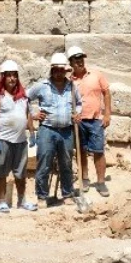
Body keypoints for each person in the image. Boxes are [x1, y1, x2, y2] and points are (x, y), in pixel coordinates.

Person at [27, 52, 86, 212]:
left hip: (67, 131)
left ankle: (67, 194)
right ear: (52, 70)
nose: (59, 73)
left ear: (65, 71)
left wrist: (77, 113)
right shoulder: (42, 86)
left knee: (66, 163)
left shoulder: (72, 87)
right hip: (47, 130)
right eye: (57, 70)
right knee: (44, 163)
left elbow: (79, 103)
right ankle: (42, 196)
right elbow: (25, 98)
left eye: (62, 70)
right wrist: (34, 114)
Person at [0, 60, 35, 213]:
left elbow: (28, 116)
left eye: (14, 76)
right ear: (3, 78)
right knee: (1, 172)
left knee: (21, 173)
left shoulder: (23, 97)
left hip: (20, 141)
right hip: (4, 140)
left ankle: (21, 200)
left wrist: (32, 133)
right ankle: (2, 201)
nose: (12, 79)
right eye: (9, 76)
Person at [67, 45, 112, 197]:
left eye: (81, 59)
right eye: (76, 60)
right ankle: (85, 179)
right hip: (79, 121)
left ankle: (100, 182)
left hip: (95, 120)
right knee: (81, 151)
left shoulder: (96, 75)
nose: (80, 63)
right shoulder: (69, 81)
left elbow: (106, 93)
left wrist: (107, 114)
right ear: (71, 63)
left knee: (98, 151)